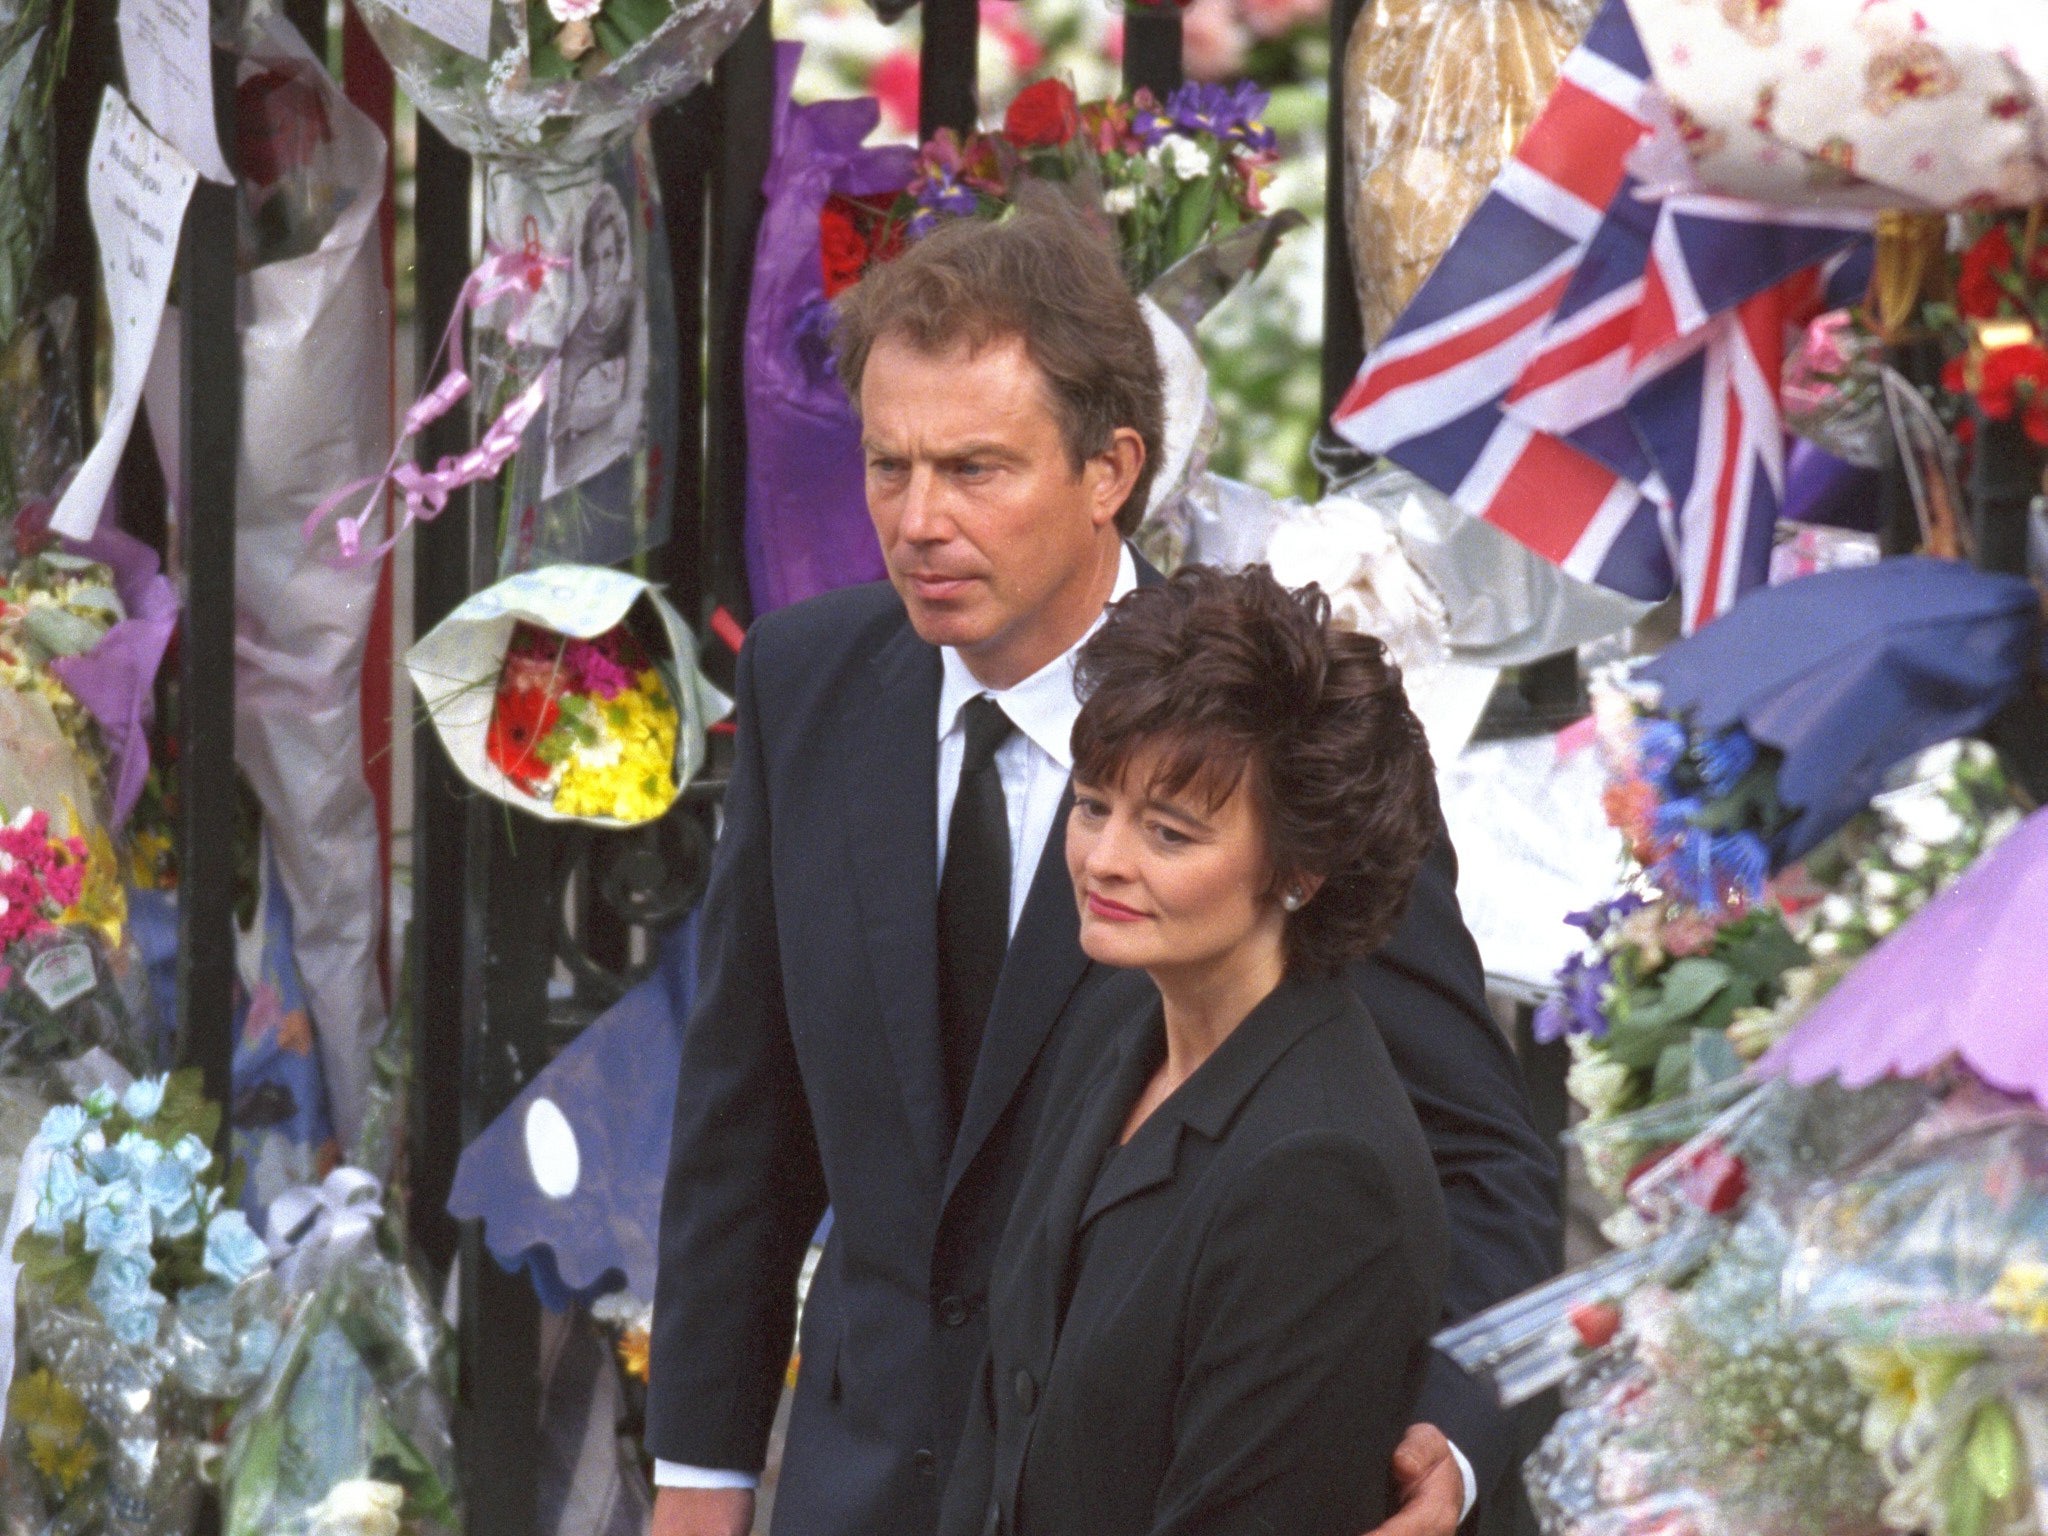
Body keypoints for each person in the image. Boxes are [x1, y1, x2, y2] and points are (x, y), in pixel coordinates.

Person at [646, 192, 1558, 1536]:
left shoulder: (1280, 722)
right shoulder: (810, 678)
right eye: (888, 467)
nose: (918, 520)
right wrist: (701, 1483)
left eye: (975, 469)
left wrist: (1455, 1441)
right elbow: (747, 1119)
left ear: (1111, 470)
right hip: (859, 1492)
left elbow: (1480, 1154)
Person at [939, 563, 1451, 1536]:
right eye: (1092, 805)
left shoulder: (1319, 1170)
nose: (1104, 860)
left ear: (1299, 865)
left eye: (1168, 833)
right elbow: (1004, 1420)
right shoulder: (1120, 1029)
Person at [548, 184, 639, 493]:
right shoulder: (574, 351)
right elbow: (561, 470)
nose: (599, 270)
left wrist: (580, 417)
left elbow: (635, 412)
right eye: (590, 257)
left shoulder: (635, 302)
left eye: (608, 255)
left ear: (619, 257)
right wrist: (615, 422)